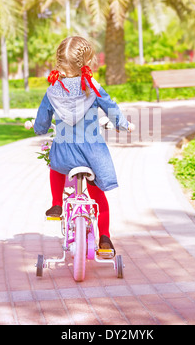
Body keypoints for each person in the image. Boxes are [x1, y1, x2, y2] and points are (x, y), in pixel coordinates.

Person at [32, 36, 134, 252]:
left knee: (55, 165)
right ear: (87, 61)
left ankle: (57, 203)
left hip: (65, 153)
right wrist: (122, 125)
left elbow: (42, 121)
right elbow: (111, 108)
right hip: (92, 154)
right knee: (98, 197)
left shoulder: (53, 90)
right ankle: (105, 238)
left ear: (59, 61)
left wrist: (39, 129)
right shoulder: (92, 87)